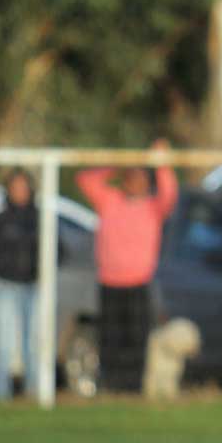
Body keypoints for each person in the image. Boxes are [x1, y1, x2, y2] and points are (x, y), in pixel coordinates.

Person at [77, 139, 178, 391]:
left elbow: (169, 193)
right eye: (131, 177)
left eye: (140, 177)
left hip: (138, 282)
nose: (135, 181)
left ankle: (133, 386)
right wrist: (118, 163)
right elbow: (85, 180)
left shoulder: (154, 207)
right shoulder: (109, 200)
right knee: (110, 337)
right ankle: (110, 384)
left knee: (136, 338)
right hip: (109, 282)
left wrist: (160, 164)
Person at [0, 169, 41, 400]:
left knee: (34, 342)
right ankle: (0, 394)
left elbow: (57, 249)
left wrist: (37, 268)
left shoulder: (38, 219)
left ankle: (35, 393)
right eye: (16, 187)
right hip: (5, 284)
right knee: (2, 343)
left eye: (24, 186)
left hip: (33, 285)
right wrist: (2, 264)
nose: (20, 192)